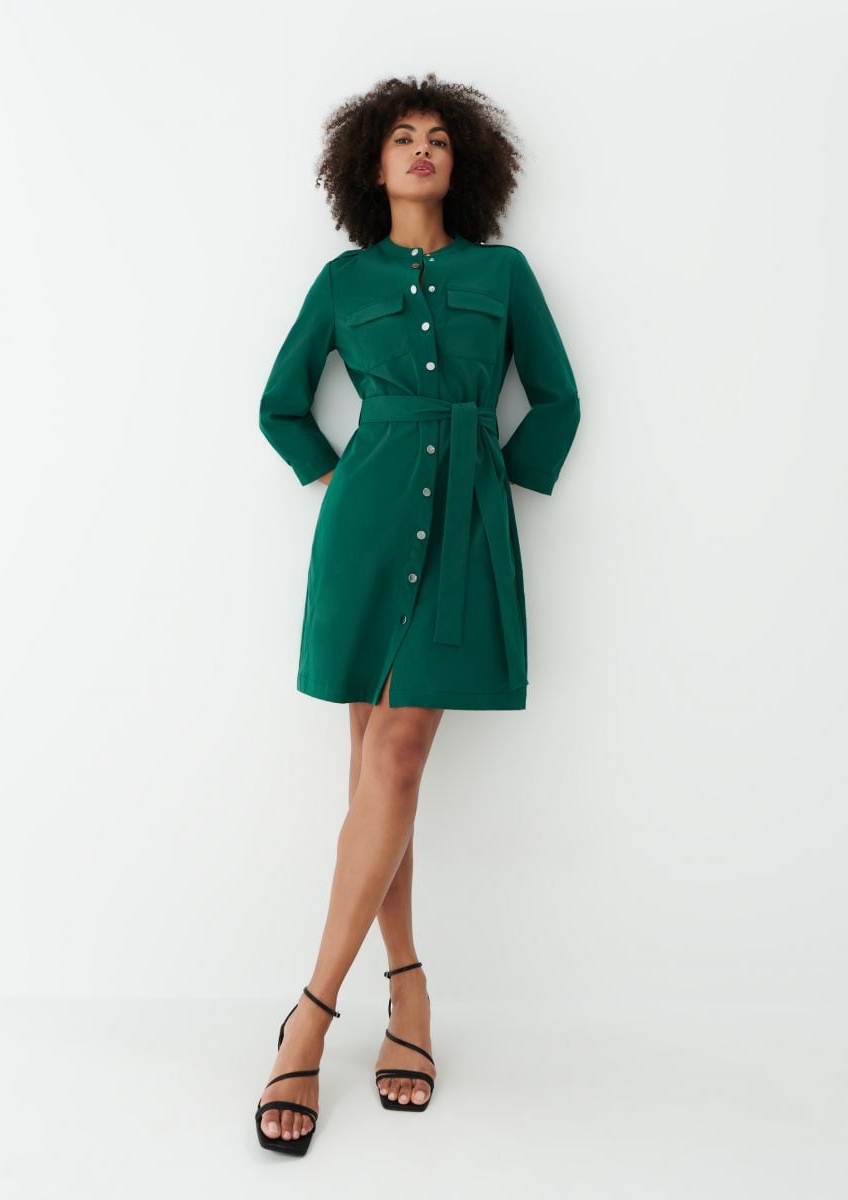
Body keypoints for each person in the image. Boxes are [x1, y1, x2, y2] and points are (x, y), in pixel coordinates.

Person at [255, 72, 581, 1155]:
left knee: (392, 758)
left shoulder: (504, 273)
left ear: (463, 163)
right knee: (375, 775)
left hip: (465, 525)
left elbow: (558, 398)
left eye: (439, 137)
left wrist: (497, 487)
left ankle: (310, 1015)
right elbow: (281, 403)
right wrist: (335, 478)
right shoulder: (344, 281)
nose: (422, 149)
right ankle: (407, 989)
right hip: (368, 523)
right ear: (373, 163)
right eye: (403, 136)